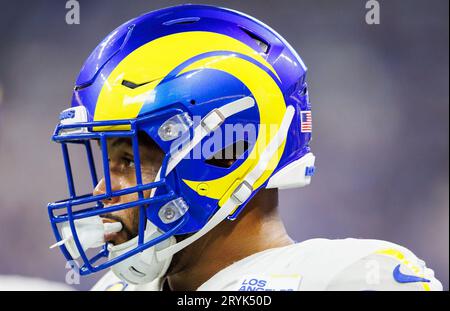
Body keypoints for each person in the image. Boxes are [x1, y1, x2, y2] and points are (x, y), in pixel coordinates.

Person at [48, 4, 442, 291]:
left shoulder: (349, 278)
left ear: (222, 153)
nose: (102, 190)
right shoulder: (117, 287)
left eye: (129, 160)